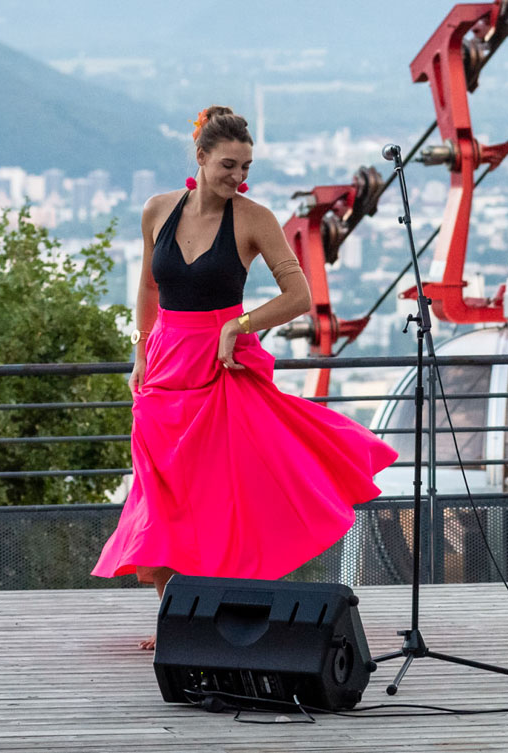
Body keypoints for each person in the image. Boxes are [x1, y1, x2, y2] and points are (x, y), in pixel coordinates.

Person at [93, 106, 396, 649]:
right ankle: (178, 620)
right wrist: (139, 352)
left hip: (221, 369)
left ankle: (215, 616)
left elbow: (299, 296)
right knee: (161, 500)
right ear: (201, 156)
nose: (238, 176)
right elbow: (148, 291)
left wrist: (242, 323)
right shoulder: (157, 211)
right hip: (163, 369)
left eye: (246, 166)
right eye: (229, 164)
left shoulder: (254, 219)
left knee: (220, 500)